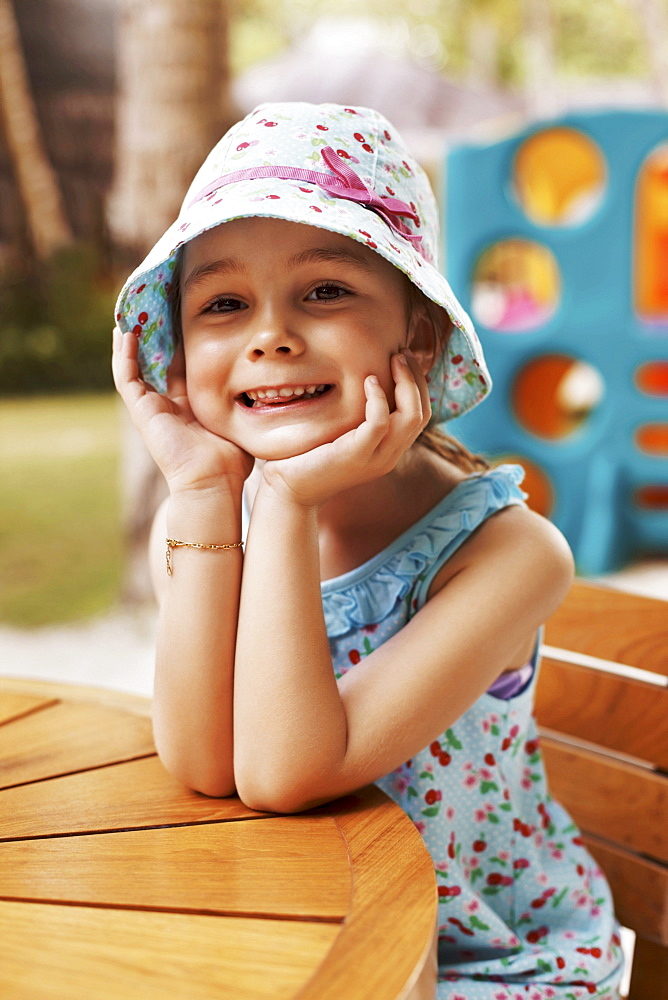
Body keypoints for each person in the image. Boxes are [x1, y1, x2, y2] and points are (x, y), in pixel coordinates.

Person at [113, 102, 623, 998]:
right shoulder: (200, 522)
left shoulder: (507, 554)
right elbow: (203, 766)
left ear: (416, 336)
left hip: (480, 965)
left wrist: (282, 497)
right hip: (293, 939)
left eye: (326, 291)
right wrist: (203, 491)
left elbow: (281, 775)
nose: (271, 335)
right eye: (224, 304)